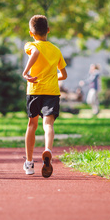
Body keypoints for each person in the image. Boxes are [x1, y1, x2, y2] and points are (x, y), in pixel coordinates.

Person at [22, 15, 67, 178]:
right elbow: (64, 74)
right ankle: (47, 149)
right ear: (48, 30)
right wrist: (53, 77)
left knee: (32, 125)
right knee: (48, 124)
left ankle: (29, 163)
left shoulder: (31, 44)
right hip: (52, 91)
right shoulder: (56, 50)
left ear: (31, 33)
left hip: (34, 90)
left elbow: (35, 52)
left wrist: (25, 72)